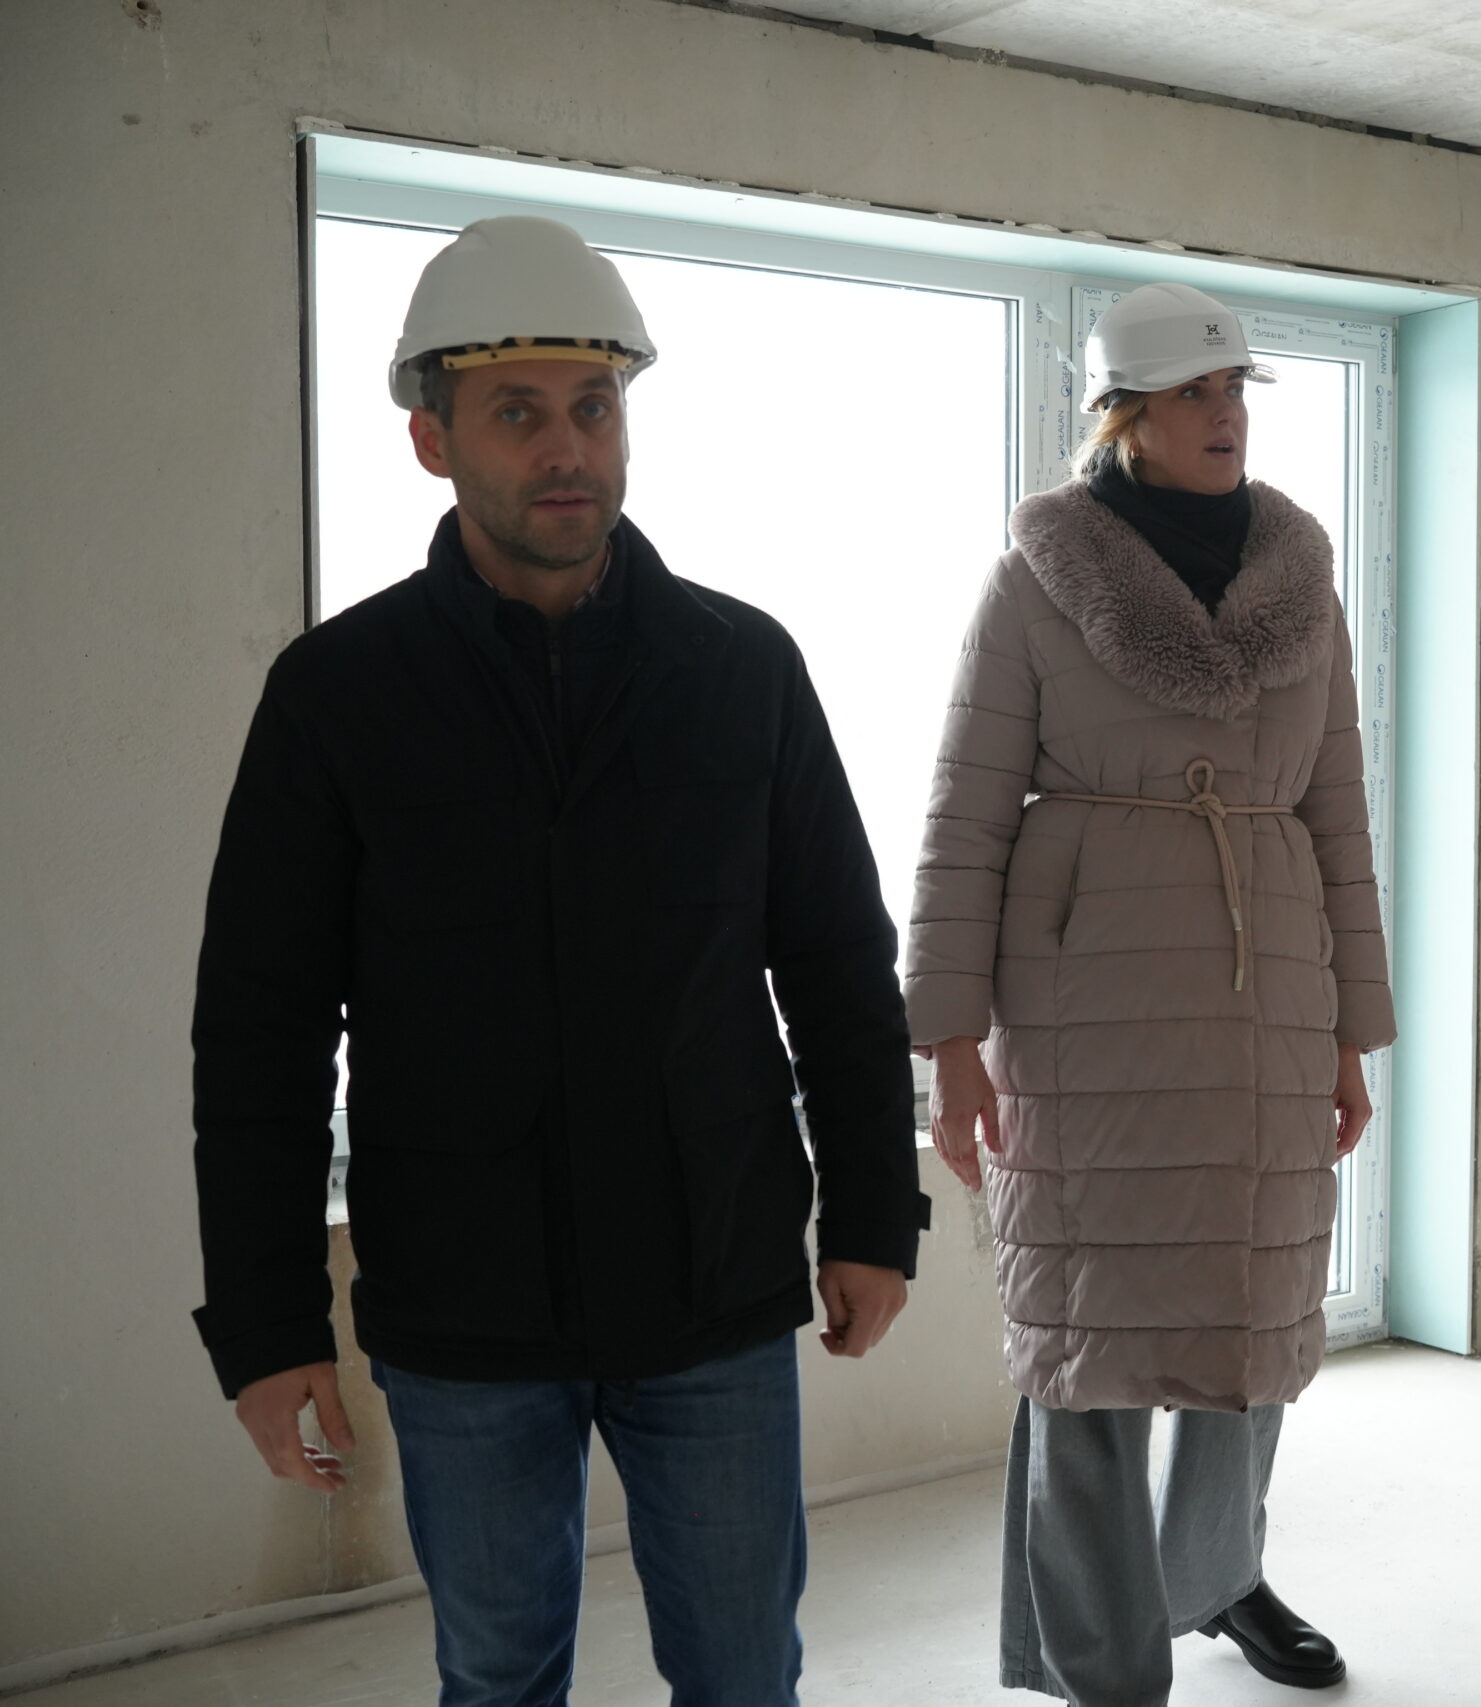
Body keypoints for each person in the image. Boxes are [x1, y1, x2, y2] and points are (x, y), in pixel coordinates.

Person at [190, 215, 929, 1707]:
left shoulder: (742, 670)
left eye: (593, 406)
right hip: (463, 1311)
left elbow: (840, 963)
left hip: (712, 1288)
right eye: (517, 413)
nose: (566, 448)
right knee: (499, 1679)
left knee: (743, 1673)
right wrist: (267, 1329)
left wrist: (873, 1212)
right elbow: (262, 1032)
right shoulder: (339, 696)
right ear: (432, 439)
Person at [905, 282, 1394, 1706]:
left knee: (1255, 1325)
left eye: (1235, 388)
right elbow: (964, 818)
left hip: (1268, 997)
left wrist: (1351, 1034)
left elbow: (1340, 818)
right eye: (1194, 392)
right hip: (1086, 1008)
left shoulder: (1302, 586)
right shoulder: (1033, 584)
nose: (1226, 413)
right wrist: (948, 1040)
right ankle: (1103, 1664)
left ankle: (1220, 1577)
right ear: (1124, 415)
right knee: (1089, 1341)